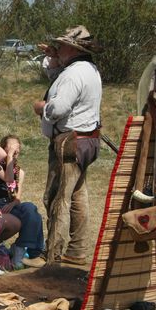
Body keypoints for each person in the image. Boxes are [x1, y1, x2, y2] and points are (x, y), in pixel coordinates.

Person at [33, 25, 102, 265]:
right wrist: (53, 58)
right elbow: (57, 81)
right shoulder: (86, 69)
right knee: (77, 196)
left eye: (61, 46)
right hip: (85, 139)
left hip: (69, 142)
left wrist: (43, 109)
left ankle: (52, 255)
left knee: (57, 198)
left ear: (71, 48)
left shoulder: (73, 74)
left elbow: (59, 107)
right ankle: (77, 250)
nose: (58, 48)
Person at [0, 135, 46, 268]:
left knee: (32, 209)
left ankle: (20, 249)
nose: (15, 150)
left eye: (17, 147)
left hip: (11, 204)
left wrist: (13, 203)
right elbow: (8, 179)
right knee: (34, 215)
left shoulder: (20, 172)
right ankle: (30, 253)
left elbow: (18, 198)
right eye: (11, 146)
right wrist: (8, 156)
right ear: (3, 148)